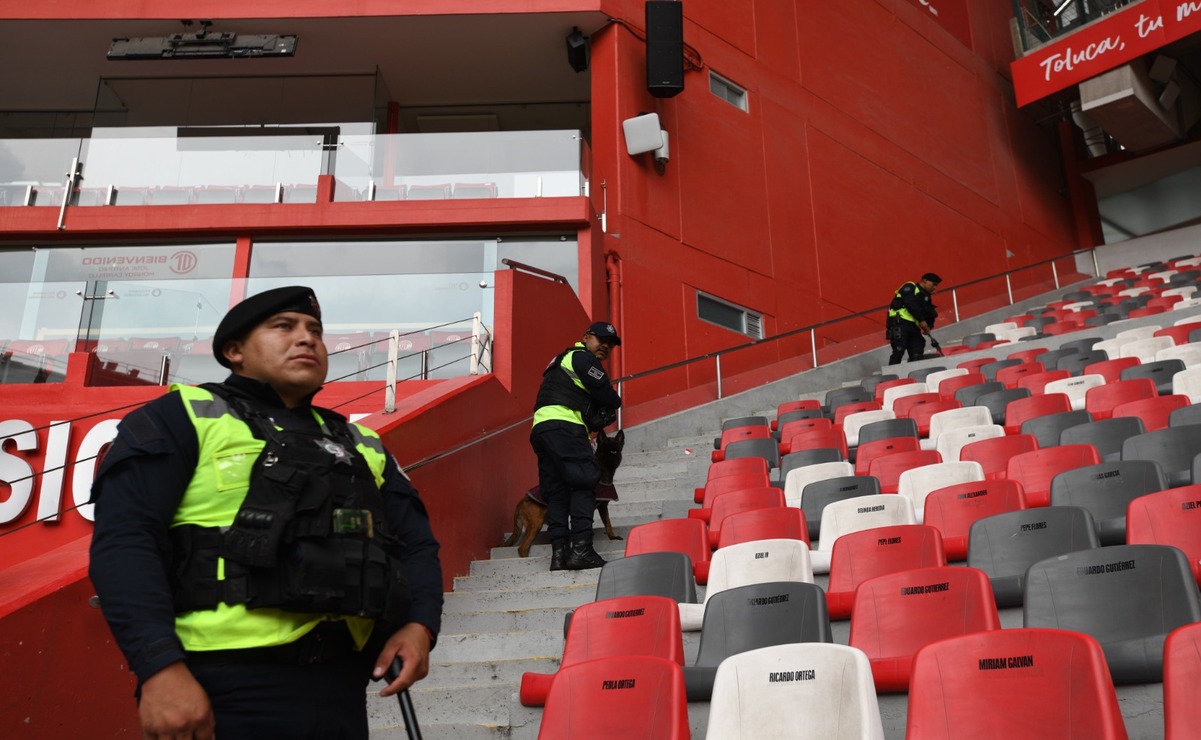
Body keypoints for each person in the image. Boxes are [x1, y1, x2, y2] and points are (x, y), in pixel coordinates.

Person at [89, 286, 443, 739]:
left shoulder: (361, 442)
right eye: (284, 327)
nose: (307, 339)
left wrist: (419, 625)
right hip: (219, 687)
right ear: (234, 351)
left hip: (341, 690)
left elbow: (416, 544)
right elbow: (125, 541)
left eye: (315, 330)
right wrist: (159, 667)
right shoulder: (183, 417)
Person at [530, 321, 623, 571]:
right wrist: (610, 403)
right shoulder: (582, 357)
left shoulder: (560, 360)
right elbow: (610, 397)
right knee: (584, 481)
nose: (606, 346)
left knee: (557, 490)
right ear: (586, 337)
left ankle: (559, 555)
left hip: (542, 428)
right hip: (565, 426)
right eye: (601, 340)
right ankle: (581, 550)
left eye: (611, 345)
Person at [887, 272, 942, 365]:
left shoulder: (926, 296)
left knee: (917, 349)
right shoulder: (910, 287)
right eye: (933, 284)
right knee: (899, 349)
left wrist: (929, 325)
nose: (935, 288)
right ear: (925, 281)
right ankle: (891, 376)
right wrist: (922, 320)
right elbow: (911, 304)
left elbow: (930, 312)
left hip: (913, 326)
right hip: (900, 322)